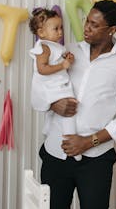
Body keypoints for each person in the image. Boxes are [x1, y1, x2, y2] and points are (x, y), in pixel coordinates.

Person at [31, 0, 116, 209]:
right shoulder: (66, 52)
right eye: (87, 21)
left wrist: (89, 142)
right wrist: (54, 105)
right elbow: (37, 93)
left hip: (96, 160)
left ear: (112, 30)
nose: (86, 28)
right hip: (56, 153)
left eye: (94, 24)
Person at [28, 8, 80, 160]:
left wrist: (67, 57)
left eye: (61, 28)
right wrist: (63, 66)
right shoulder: (43, 48)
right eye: (55, 29)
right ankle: (70, 144)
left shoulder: (55, 46)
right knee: (70, 109)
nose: (60, 32)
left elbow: (59, 56)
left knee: (59, 112)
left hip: (58, 83)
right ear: (41, 32)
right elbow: (42, 69)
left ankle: (48, 130)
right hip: (50, 86)